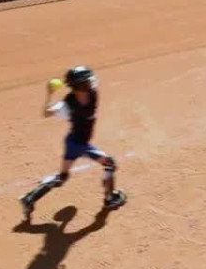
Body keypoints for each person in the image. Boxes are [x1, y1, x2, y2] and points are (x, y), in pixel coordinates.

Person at [19, 66, 126, 222]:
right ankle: (109, 199)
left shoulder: (92, 93)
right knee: (110, 164)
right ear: (79, 86)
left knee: (62, 177)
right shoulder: (67, 104)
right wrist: (49, 94)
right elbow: (46, 113)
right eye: (87, 81)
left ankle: (29, 198)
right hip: (79, 144)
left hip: (72, 142)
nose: (91, 82)